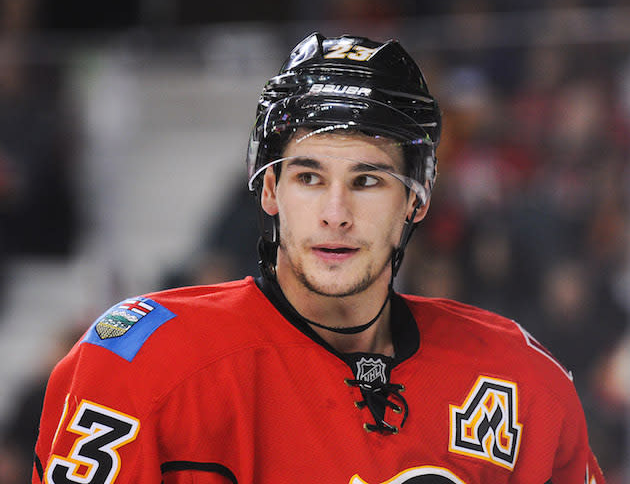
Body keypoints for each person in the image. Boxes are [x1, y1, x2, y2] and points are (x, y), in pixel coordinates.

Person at [33, 33, 605, 483]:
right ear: (270, 191)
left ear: (414, 200)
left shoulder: (520, 382)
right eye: (310, 177)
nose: (336, 213)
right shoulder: (137, 366)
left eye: (368, 180)